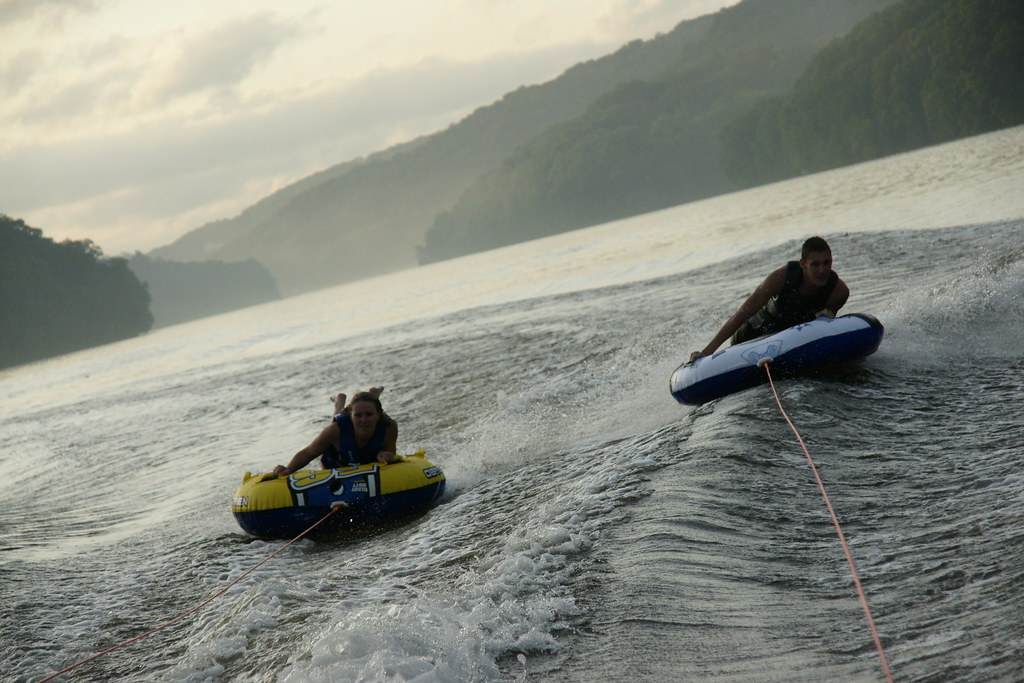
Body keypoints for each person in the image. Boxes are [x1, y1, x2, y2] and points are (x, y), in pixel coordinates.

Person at [689, 236, 849, 363]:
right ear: (803, 264)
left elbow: (828, 320)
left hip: (789, 338)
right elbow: (740, 316)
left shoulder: (840, 292)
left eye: (826, 263)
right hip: (752, 335)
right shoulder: (780, 278)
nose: (822, 270)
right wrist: (707, 352)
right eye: (815, 264)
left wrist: (830, 311)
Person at [272, 387, 398, 476]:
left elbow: (390, 454)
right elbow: (308, 453)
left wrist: (387, 456)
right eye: (358, 415)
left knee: (366, 406)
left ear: (378, 415)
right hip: (335, 465)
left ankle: (372, 395)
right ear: (351, 416)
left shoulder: (389, 427)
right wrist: (288, 469)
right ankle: (339, 402)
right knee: (335, 419)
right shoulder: (335, 430)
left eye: (369, 414)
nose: (363, 420)